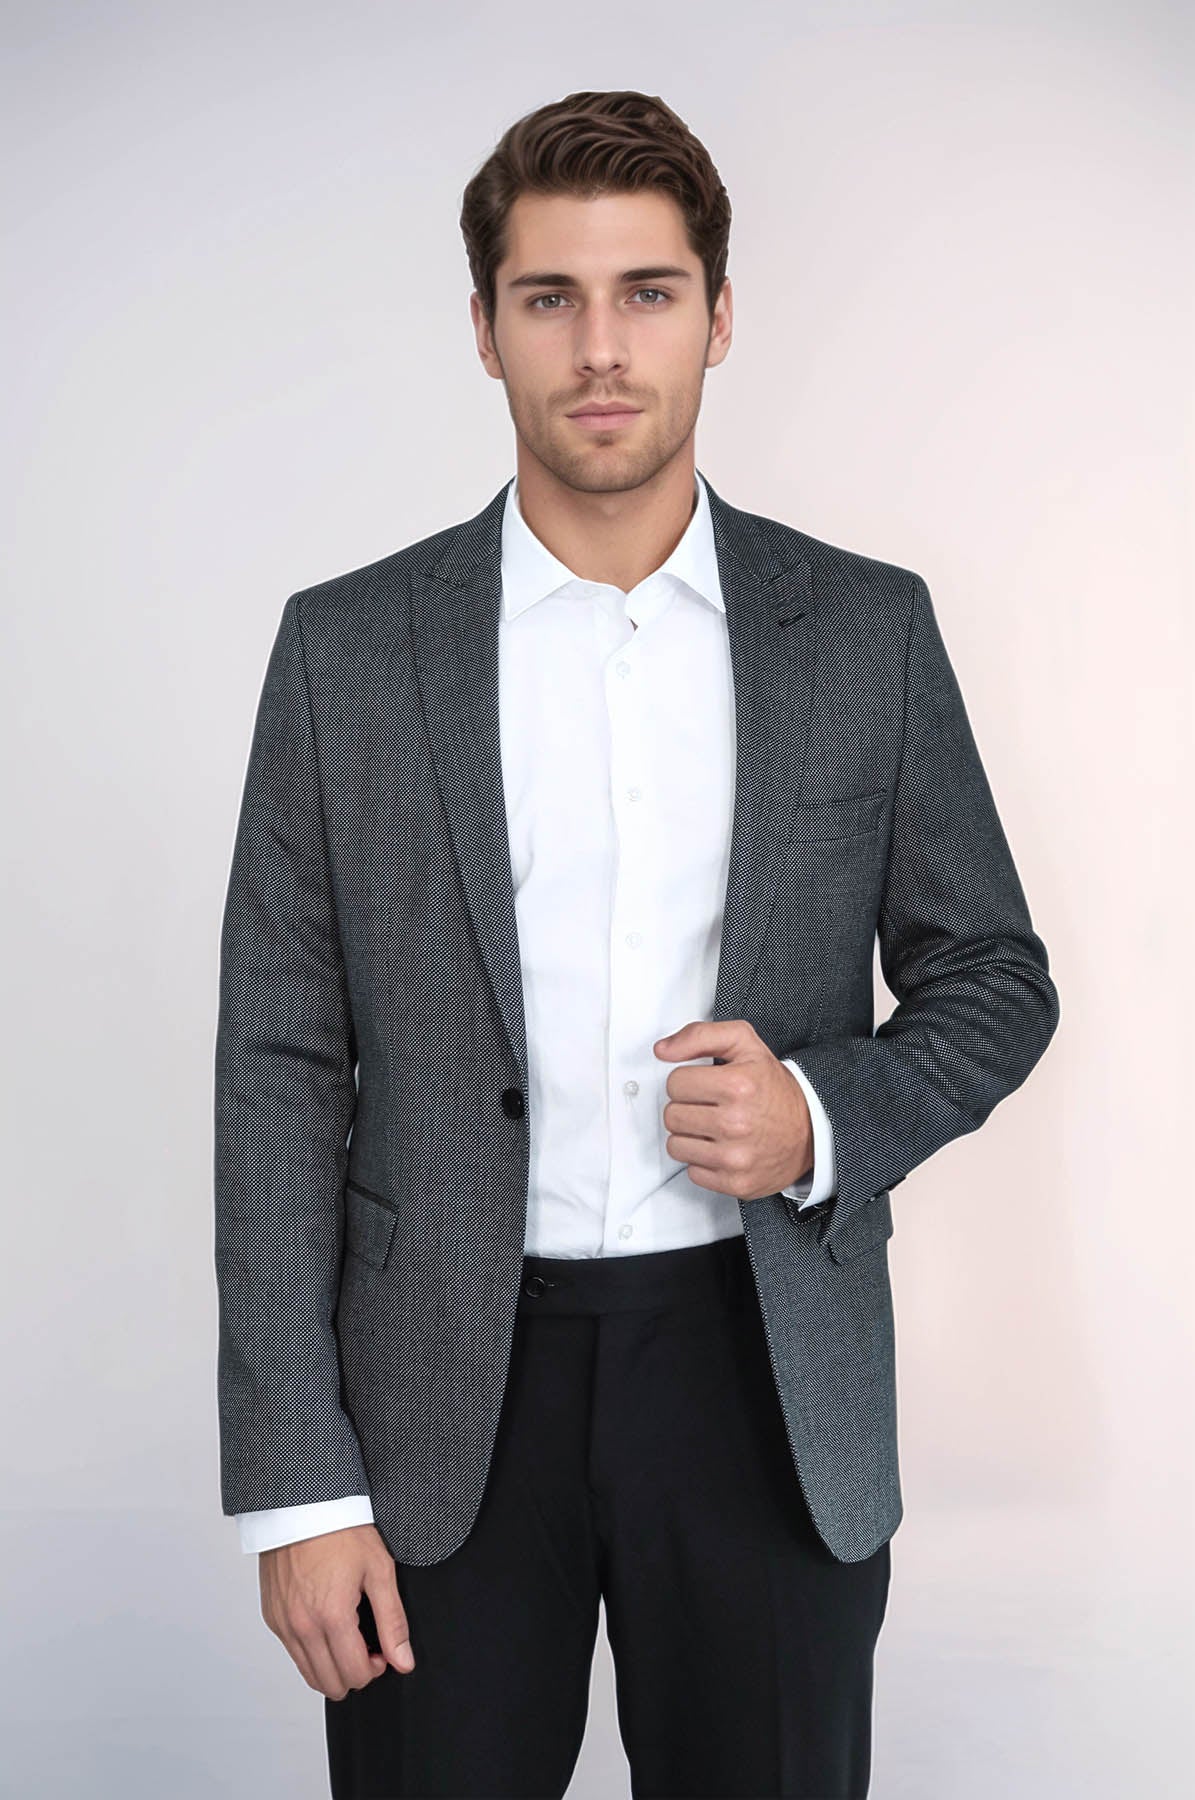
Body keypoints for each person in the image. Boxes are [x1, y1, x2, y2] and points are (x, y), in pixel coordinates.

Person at [214, 88, 1061, 1800]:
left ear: (719, 316)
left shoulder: (867, 635)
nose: (601, 349)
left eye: (648, 294)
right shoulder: (345, 654)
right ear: (485, 329)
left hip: (766, 1376)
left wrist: (817, 1114)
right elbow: (279, 1067)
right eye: (551, 298)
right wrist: (299, 1486)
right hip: (439, 1400)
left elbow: (994, 977)